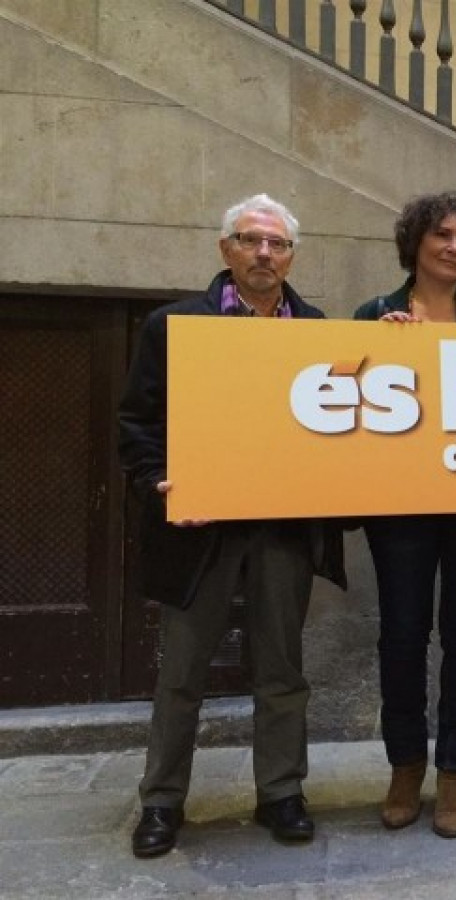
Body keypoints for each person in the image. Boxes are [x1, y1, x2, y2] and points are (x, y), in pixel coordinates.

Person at [119, 194, 347, 858]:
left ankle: (282, 792)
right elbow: (137, 424)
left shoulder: (319, 331)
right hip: (201, 528)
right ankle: (162, 801)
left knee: (282, 667)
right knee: (182, 671)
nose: (264, 254)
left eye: (277, 244)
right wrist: (158, 483)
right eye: (251, 240)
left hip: (283, 529)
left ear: (292, 257)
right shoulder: (173, 326)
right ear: (227, 249)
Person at [353, 193, 456, 839]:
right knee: (401, 636)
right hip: (400, 504)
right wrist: (385, 351)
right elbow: (351, 404)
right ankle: (405, 766)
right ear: (415, 242)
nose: (453, 247)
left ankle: (455, 773)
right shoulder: (375, 313)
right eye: (442, 235)